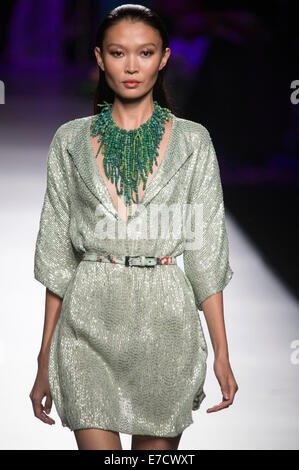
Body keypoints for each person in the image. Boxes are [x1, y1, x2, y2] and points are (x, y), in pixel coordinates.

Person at [29, 4, 238, 451]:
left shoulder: (193, 140)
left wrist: (222, 352)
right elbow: (56, 258)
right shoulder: (70, 140)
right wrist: (44, 356)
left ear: (163, 58)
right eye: (118, 52)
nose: (131, 66)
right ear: (100, 58)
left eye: (144, 53)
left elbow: (206, 252)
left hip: (166, 325)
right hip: (87, 321)